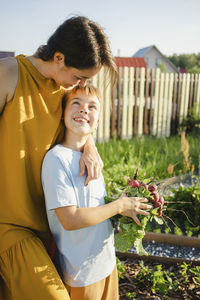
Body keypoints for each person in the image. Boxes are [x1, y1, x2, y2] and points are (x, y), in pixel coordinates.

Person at [0, 16, 118, 300]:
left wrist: (89, 143)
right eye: (79, 77)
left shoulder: (63, 90)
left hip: (49, 226)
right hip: (10, 225)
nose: (79, 85)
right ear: (58, 57)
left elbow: (79, 124)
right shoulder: (8, 74)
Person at [41, 84, 152, 300]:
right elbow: (70, 220)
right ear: (62, 114)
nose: (84, 110)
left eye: (92, 107)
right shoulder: (56, 159)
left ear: (97, 123)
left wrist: (124, 210)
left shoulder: (92, 158)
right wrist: (118, 205)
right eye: (76, 103)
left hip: (107, 264)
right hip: (81, 273)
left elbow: (96, 207)